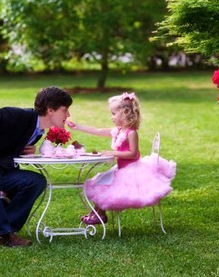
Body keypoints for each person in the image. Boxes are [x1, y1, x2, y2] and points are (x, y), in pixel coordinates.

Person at [0, 86, 73, 246]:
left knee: (36, 181)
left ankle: (2, 230)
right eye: (65, 110)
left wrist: (27, 149)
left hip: (2, 172)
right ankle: (4, 234)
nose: (68, 115)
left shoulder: (37, 130)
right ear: (50, 110)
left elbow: (6, 144)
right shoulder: (17, 116)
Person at [67, 92, 176, 225]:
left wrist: (113, 153)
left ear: (125, 113)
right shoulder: (118, 130)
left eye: (114, 113)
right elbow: (98, 130)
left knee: (108, 187)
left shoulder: (131, 133)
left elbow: (133, 154)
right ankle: (97, 213)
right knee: (100, 183)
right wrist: (78, 127)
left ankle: (99, 214)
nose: (112, 117)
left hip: (132, 170)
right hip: (120, 168)